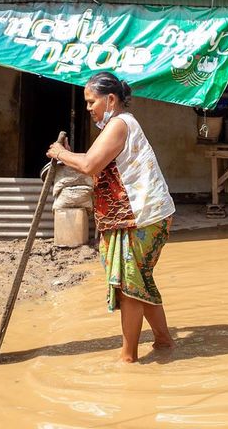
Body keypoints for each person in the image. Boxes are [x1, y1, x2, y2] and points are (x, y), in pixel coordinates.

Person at [47, 72, 176, 363]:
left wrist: (59, 153)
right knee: (140, 279)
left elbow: (91, 165)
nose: (89, 108)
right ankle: (163, 340)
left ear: (111, 100)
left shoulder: (119, 124)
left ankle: (128, 357)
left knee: (130, 286)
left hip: (140, 217)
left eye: (92, 102)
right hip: (139, 215)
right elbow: (95, 159)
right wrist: (69, 155)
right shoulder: (117, 125)